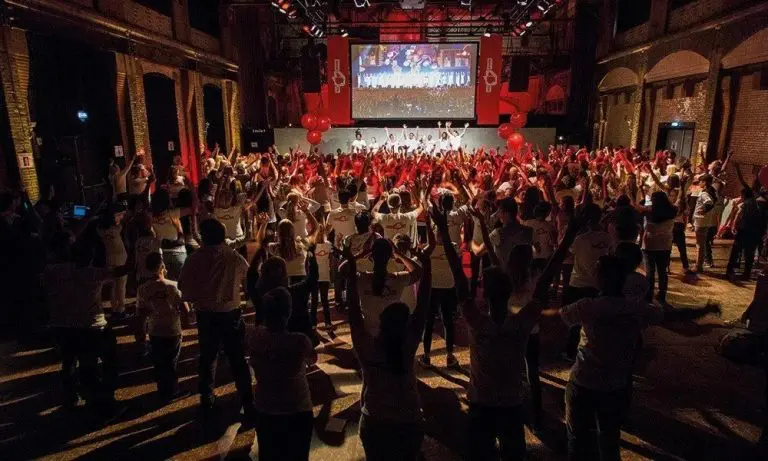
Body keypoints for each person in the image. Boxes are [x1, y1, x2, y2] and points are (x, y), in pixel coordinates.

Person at [439, 202, 580, 461]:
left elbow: (459, 276)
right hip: (511, 404)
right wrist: (569, 234)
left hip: (480, 403)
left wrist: (443, 232)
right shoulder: (521, 323)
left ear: (486, 296)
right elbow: (547, 277)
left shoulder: (477, 322)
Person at [340, 216, 433, 461]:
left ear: (372, 257)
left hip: (369, 338)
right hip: (396, 341)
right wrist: (398, 254)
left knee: (370, 381)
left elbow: (343, 272)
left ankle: (368, 407)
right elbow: (419, 274)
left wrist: (359, 255)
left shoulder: (363, 279)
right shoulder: (396, 279)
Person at [560, 255, 663, 461]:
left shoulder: (587, 306)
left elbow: (556, 318)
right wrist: (703, 310)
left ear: (601, 278)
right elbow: (673, 316)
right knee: (609, 441)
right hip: (615, 386)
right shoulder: (636, 308)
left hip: (584, 382)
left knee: (577, 441)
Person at [44, 232, 128, 418]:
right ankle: (102, 404)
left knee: (68, 362)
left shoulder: (53, 271)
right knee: (102, 362)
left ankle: (71, 397)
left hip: (61, 325)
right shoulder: (92, 273)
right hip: (91, 327)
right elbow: (121, 271)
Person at [177, 218, 255, 419]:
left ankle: (207, 398)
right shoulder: (233, 256)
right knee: (237, 357)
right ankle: (247, 398)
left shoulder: (194, 258)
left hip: (206, 314)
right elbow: (248, 277)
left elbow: (183, 286)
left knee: (208, 356)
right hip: (230, 313)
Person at [248, 285, 317, 461]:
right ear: (289, 312)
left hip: (265, 409)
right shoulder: (299, 341)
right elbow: (313, 358)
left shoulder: (254, 336)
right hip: (297, 410)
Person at [136, 252, 189, 402]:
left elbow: (141, 314)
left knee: (159, 361)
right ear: (162, 266)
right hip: (172, 329)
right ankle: (171, 392)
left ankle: (162, 388)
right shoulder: (173, 286)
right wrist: (184, 324)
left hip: (155, 330)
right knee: (171, 361)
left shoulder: (142, 289)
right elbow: (185, 309)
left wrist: (141, 334)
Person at [563, 203, 612, 361]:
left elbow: (568, 255)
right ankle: (595, 350)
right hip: (598, 284)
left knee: (575, 322)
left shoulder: (581, 239)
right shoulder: (608, 238)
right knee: (594, 322)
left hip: (578, 283)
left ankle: (571, 352)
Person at [640, 191, 676, 305]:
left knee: (650, 272)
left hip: (650, 245)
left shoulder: (649, 211)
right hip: (665, 245)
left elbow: (636, 207)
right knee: (662, 271)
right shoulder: (673, 211)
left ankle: (649, 295)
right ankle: (662, 295)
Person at [693, 174, 717, 273]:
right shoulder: (709, 192)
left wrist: (703, 211)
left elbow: (709, 203)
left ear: (704, 182)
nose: (699, 183)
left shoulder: (705, 194)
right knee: (701, 244)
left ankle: (698, 266)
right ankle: (699, 265)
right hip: (704, 221)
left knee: (700, 245)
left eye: (701, 181)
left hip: (701, 221)